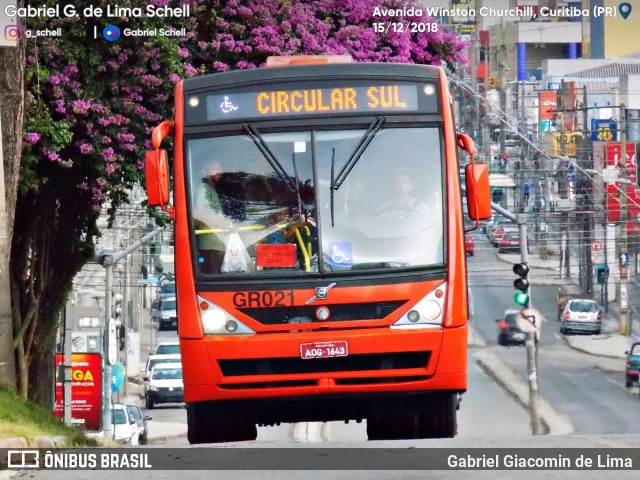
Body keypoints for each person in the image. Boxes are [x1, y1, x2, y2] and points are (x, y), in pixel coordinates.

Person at [192, 160, 235, 274]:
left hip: (217, 243)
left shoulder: (213, 190)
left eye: (219, 168)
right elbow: (197, 214)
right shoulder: (204, 188)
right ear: (205, 172)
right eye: (213, 168)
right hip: (209, 245)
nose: (218, 171)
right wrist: (218, 224)